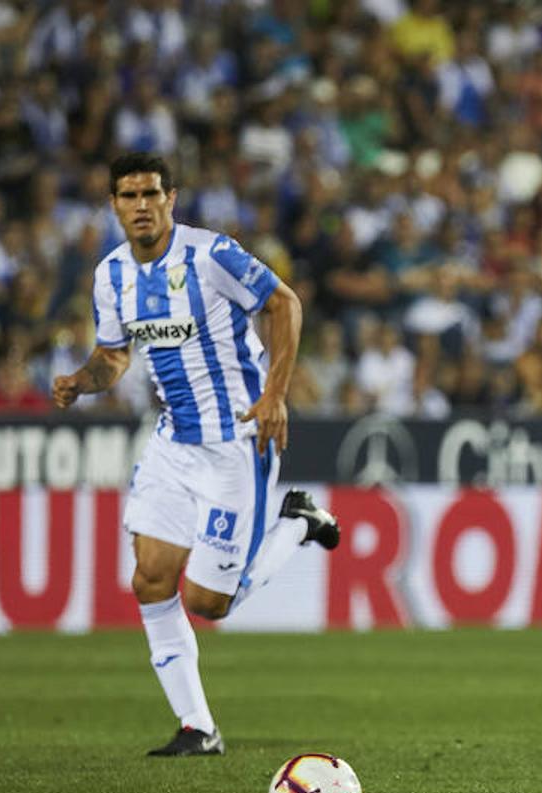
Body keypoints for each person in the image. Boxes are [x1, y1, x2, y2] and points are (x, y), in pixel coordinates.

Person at [52, 152, 340, 756]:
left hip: (237, 441)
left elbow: (284, 303)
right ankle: (198, 727)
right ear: (113, 205)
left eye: (151, 194)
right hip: (172, 444)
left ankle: (297, 522)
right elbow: (114, 356)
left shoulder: (210, 256)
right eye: (128, 196)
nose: (141, 206)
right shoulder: (110, 276)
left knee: (210, 603)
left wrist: (276, 395)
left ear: (171, 199)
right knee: (151, 580)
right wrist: (81, 380)